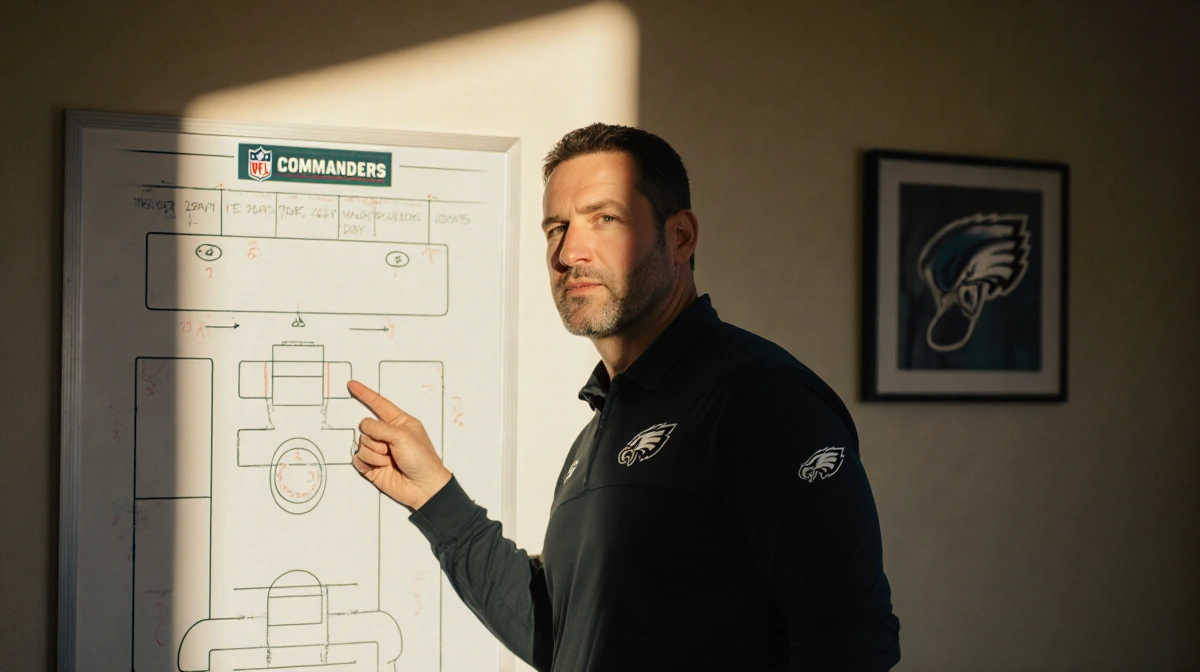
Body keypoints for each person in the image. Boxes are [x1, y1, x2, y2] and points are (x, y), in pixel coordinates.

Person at [349, 123, 901, 671]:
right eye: (555, 228)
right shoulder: (601, 426)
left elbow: (849, 635)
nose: (568, 252)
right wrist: (435, 498)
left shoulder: (761, 399)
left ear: (680, 237)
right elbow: (562, 635)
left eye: (604, 220)